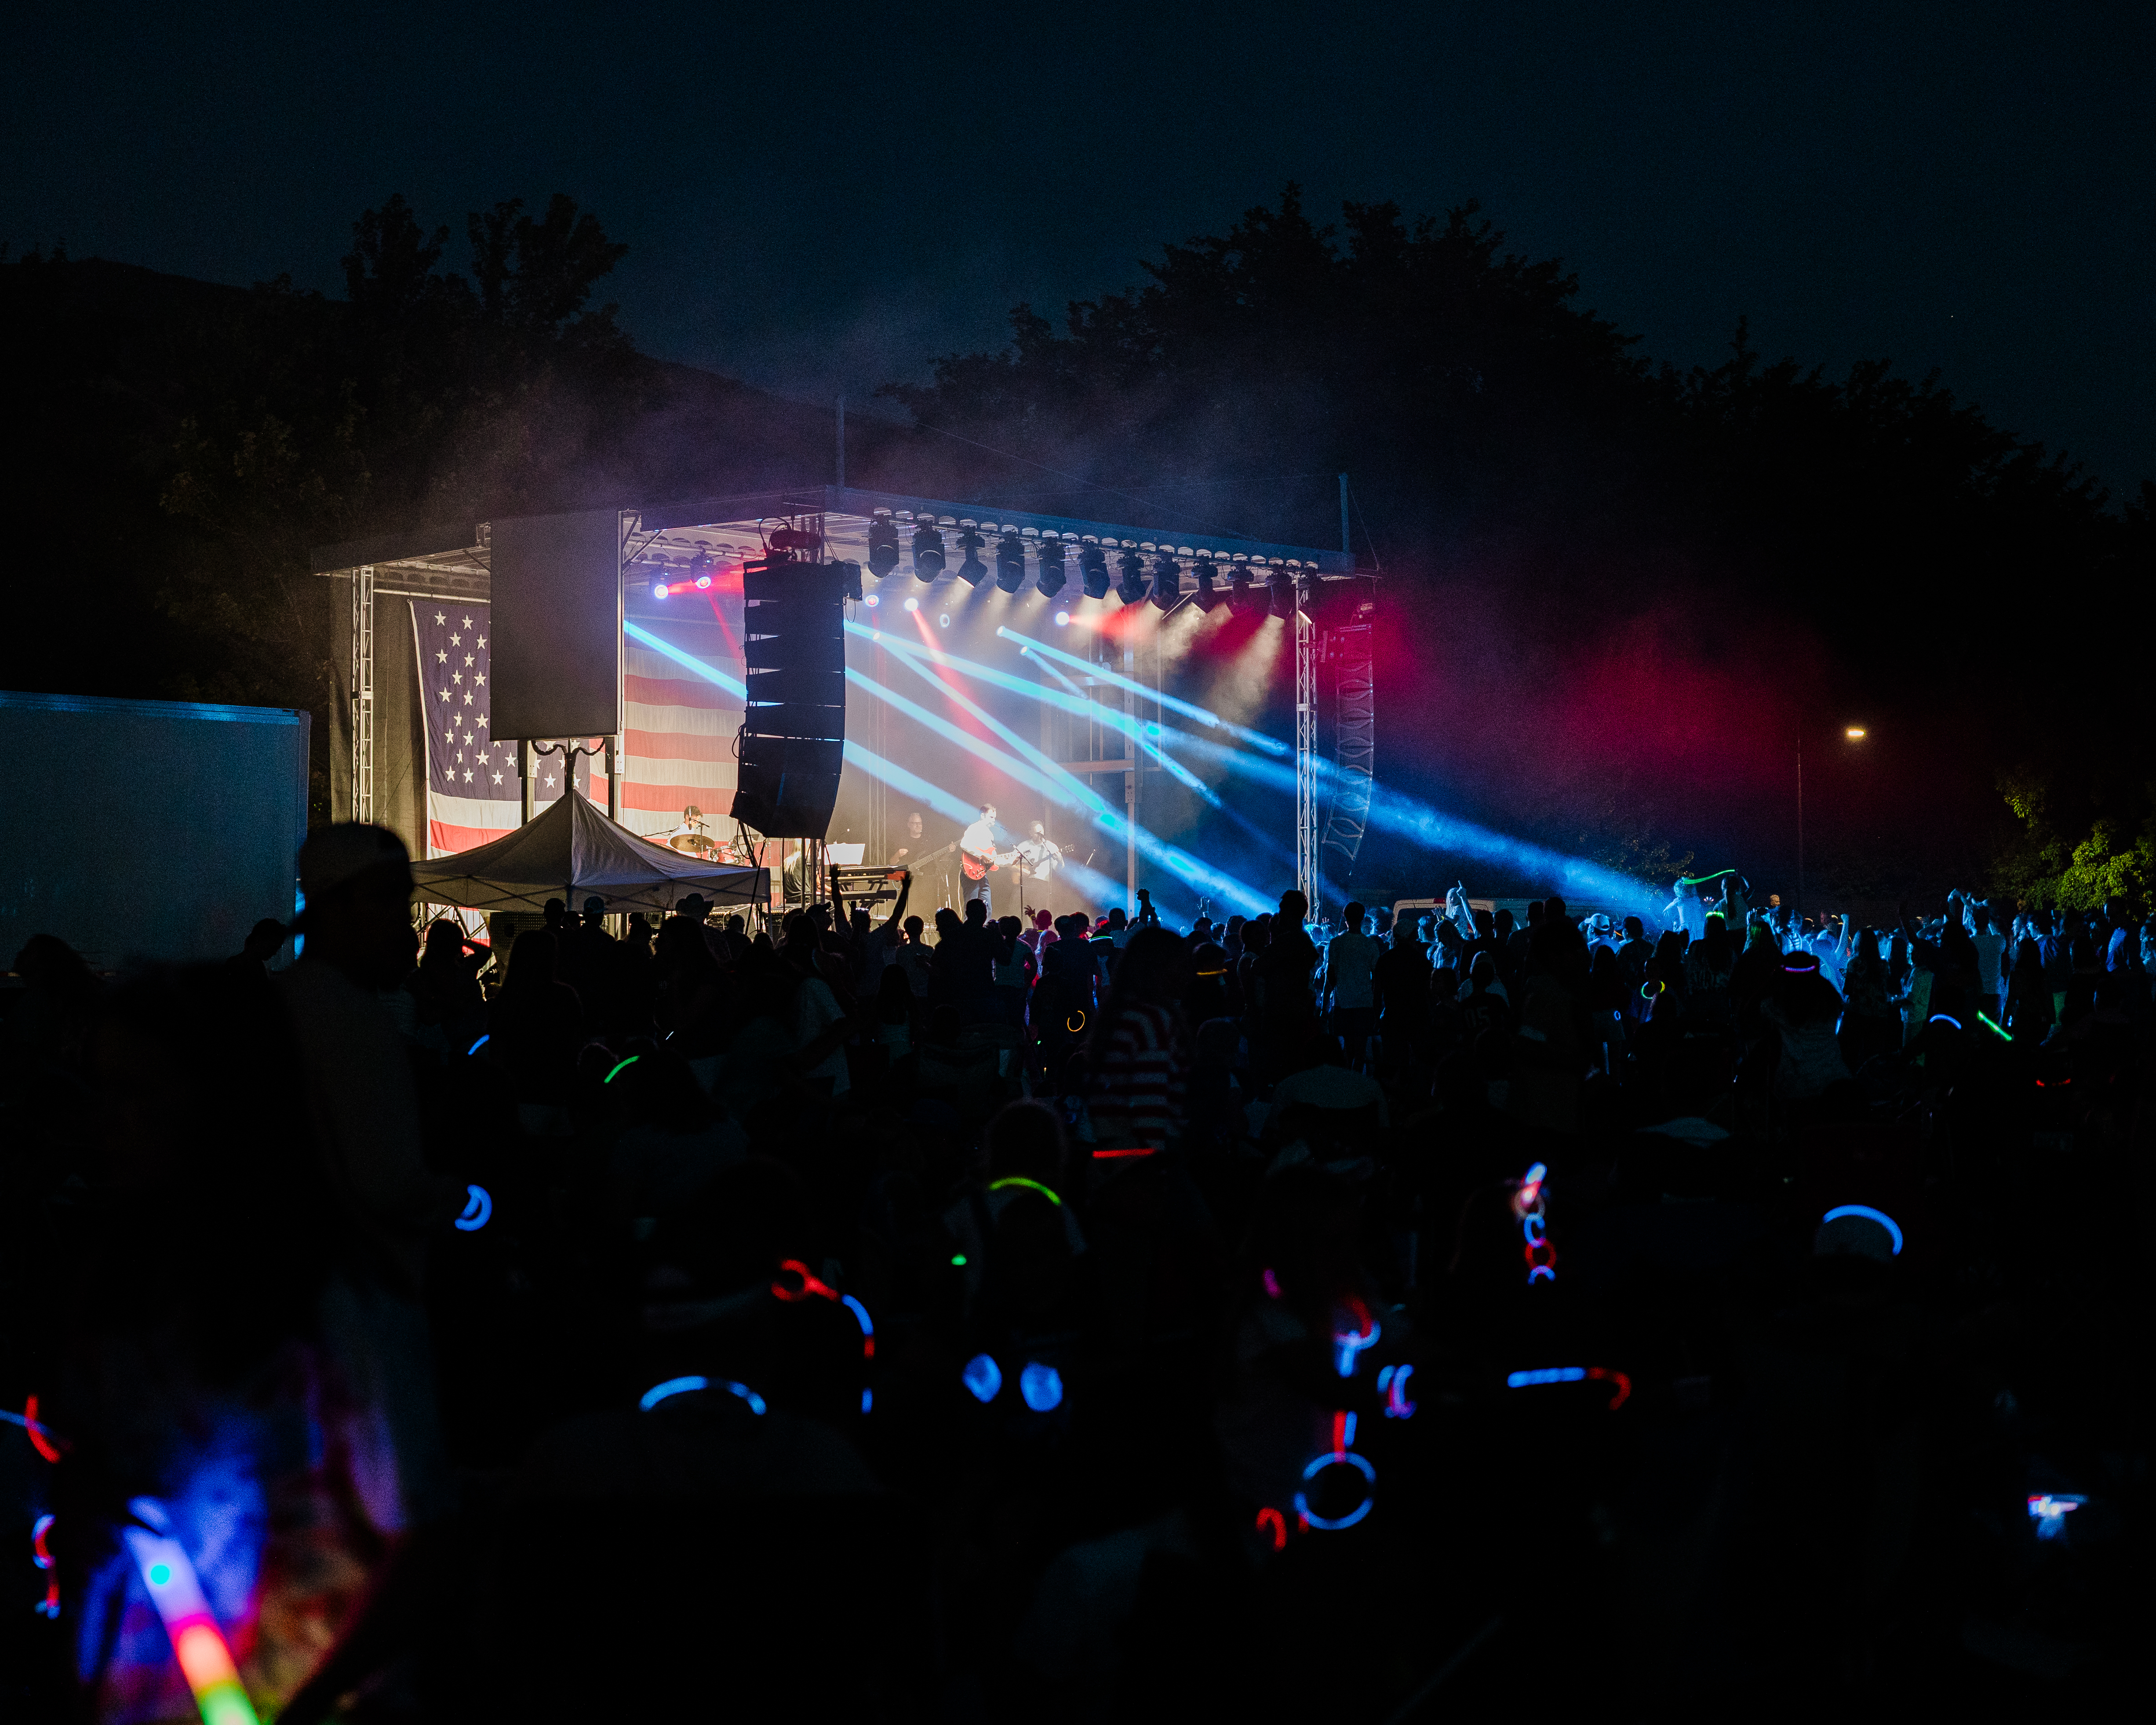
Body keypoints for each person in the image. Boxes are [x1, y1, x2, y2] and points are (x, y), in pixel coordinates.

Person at [1324, 901, 1381, 1069]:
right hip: (1364, 1003)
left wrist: (1324, 1005)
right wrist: (1377, 1009)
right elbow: (1377, 979)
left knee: (1348, 1048)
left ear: (1345, 916)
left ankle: (1348, 1082)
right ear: (1363, 918)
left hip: (1342, 1002)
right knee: (1361, 1050)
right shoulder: (1370, 944)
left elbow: (1330, 976)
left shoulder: (1335, 943)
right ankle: (1357, 1082)